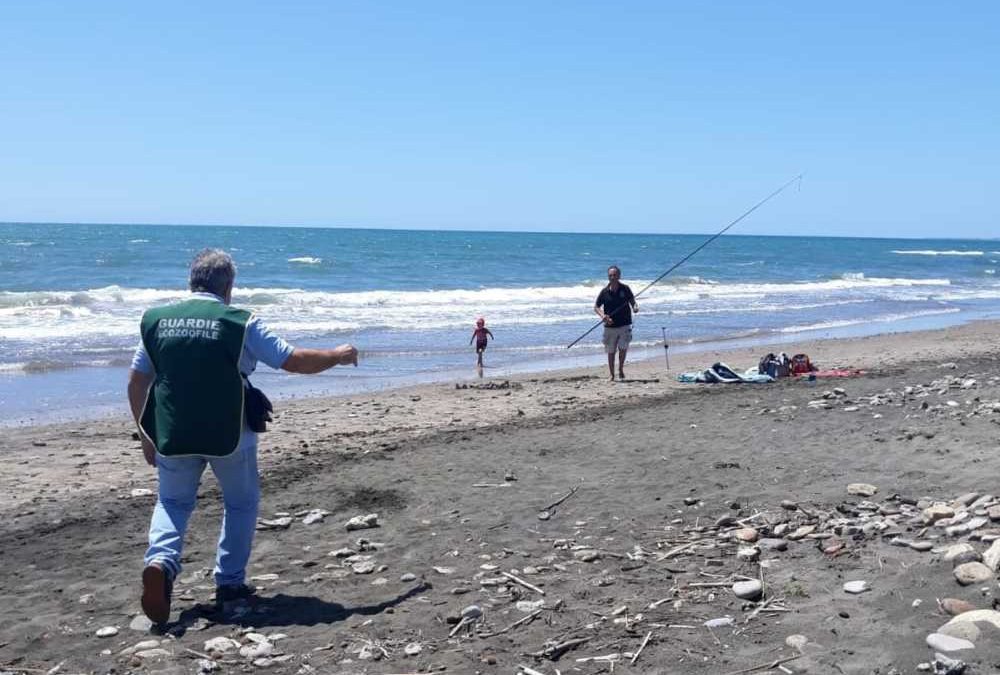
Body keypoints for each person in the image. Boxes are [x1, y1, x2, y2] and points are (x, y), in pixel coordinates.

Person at [127, 249, 358, 625]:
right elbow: (293, 361)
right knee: (240, 503)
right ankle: (230, 582)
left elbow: (138, 381)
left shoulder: (155, 320)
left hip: (172, 430)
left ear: (191, 280)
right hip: (229, 432)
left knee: (172, 502)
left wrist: (144, 435)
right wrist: (337, 354)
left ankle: (161, 562)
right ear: (228, 286)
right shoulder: (240, 322)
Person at [594, 265, 638, 381]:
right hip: (610, 326)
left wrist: (635, 307)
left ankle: (621, 369)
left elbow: (632, 301)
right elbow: (596, 307)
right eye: (610, 275)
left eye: (615, 275)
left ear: (619, 276)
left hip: (624, 324)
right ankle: (612, 374)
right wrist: (603, 316)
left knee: (623, 349)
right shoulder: (604, 292)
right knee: (610, 351)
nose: (612, 277)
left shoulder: (625, 289)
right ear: (608, 277)